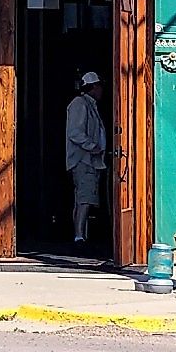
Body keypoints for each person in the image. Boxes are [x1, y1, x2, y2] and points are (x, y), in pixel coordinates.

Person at [64, 70, 107, 245]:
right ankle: (79, 235)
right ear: (93, 87)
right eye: (99, 86)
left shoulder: (90, 105)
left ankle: (82, 234)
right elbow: (75, 132)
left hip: (92, 160)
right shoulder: (79, 104)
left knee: (85, 198)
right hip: (84, 160)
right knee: (84, 198)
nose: (101, 90)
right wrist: (92, 146)